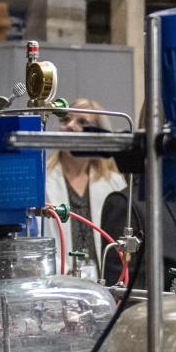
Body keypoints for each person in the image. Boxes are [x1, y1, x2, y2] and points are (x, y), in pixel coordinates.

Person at [43, 98, 127, 277]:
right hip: (60, 282)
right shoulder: (42, 182)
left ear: (98, 134)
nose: (71, 126)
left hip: (106, 285)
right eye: (65, 120)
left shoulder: (116, 184)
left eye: (82, 122)